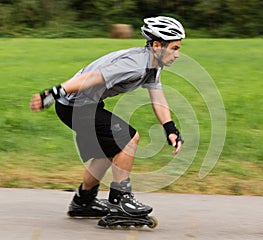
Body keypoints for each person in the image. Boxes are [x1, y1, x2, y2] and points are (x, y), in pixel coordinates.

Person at [30, 16, 185, 220]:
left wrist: (170, 129)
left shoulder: (152, 65)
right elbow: (92, 77)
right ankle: (120, 201)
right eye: (174, 48)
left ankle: (83, 201)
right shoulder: (134, 64)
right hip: (75, 106)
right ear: (157, 45)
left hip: (83, 105)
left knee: (106, 152)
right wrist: (53, 93)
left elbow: (157, 97)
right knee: (129, 138)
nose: (178, 54)